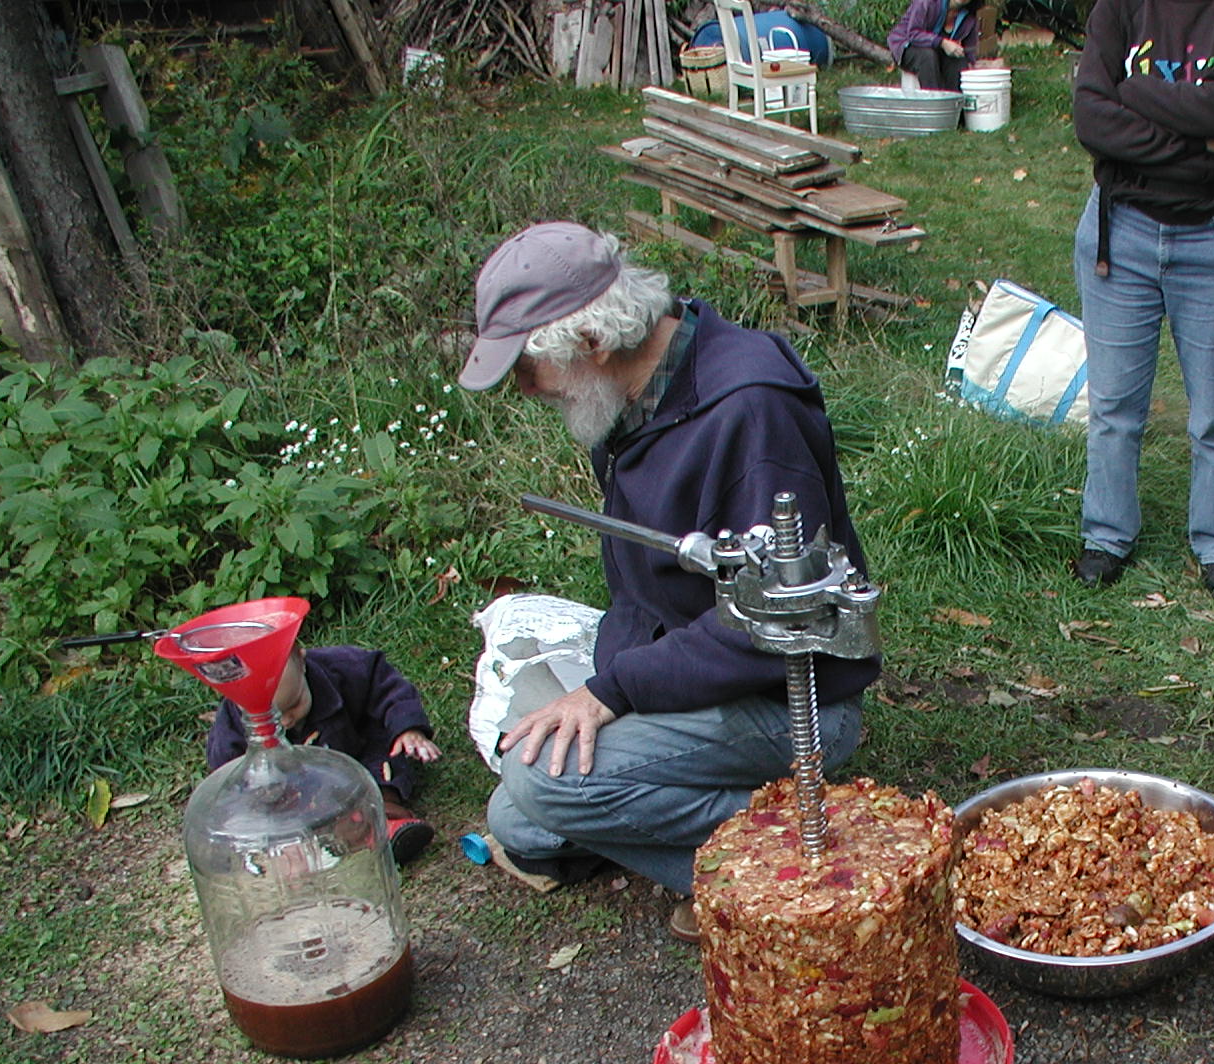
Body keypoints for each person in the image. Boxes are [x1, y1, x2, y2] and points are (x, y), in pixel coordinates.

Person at [457, 221, 878, 941]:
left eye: (531, 367)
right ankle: (747, 829)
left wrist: (612, 693)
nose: (526, 390)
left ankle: (805, 844)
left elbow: (777, 625)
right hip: (685, 671)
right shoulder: (640, 389)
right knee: (516, 815)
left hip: (788, 697)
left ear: (593, 341)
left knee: (538, 783)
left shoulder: (749, 409)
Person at [1070, 0, 1214, 601]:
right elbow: (1091, 117)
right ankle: (1107, 535)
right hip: (1124, 232)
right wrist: (1199, 144)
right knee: (1114, 404)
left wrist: (1130, 93)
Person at [206, 644, 441, 864]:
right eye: (271, 718)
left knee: (385, 762)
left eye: (295, 704)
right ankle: (310, 844)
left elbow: (388, 689)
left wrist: (408, 729)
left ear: (301, 659)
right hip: (296, 787)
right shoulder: (231, 728)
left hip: (357, 753)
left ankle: (385, 821)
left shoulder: (348, 667)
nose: (286, 721)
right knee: (280, 813)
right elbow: (228, 776)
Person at [886, 0, 980, 93]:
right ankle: (934, 103)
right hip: (907, 44)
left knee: (959, 61)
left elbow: (970, 51)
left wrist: (973, 65)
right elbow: (913, 34)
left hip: (938, 50)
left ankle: (954, 103)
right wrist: (941, 42)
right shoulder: (926, 2)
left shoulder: (969, 16)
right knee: (928, 56)